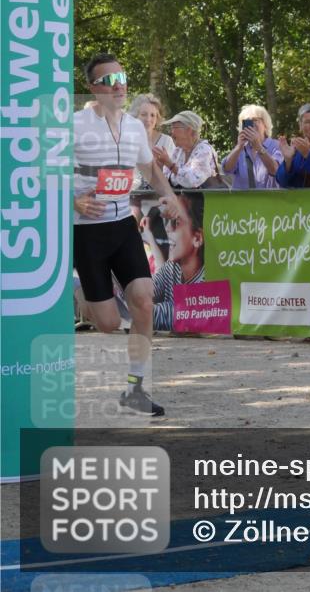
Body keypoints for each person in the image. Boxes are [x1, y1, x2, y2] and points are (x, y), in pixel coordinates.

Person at [73, 53, 182, 417]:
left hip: (122, 226)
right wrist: (74, 200)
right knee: (106, 323)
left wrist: (168, 197)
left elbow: (149, 168)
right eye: (108, 79)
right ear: (92, 88)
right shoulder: (75, 125)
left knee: (144, 300)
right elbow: (45, 169)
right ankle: (80, 294)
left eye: (121, 76)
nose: (118, 84)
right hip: (86, 232)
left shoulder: (135, 128)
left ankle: (136, 388)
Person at [152, 192, 205, 331]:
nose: (168, 228)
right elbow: (148, 291)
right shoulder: (172, 266)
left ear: (197, 239)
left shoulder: (207, 278)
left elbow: (179, 314)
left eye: (176, 222)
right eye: (167, 222)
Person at [223, 104, 281, 189]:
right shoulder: (241, 148)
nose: (251, 124)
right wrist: (238, 147)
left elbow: (275, 171)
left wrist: (259, 147)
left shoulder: (276, 145)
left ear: (265, 125)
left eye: (255, 120)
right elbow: (227, 169)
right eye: (246, 121)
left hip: (269, 200)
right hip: (243, 201)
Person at [160, 111, 221, 189]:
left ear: (189, 130)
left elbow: (192, 181)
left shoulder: (204, 150)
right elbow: (165, 179)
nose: (171, 132)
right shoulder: (178, 151)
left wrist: (170, 165)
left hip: (204, 200)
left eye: (174, 128)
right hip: (180, 200)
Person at [128, 93, 174, 189]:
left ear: (157, 119)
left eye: (153, 115)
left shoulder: (166, 141)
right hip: (130, 195)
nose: (148, 119)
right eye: (144, 114)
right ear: (135, 116)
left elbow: (174, 174)